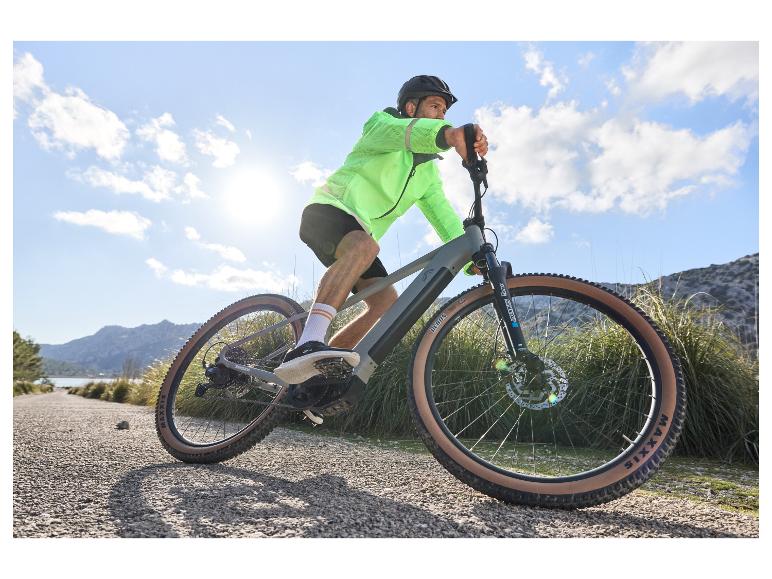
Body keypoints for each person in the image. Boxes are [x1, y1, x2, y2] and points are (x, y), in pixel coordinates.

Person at [274, 75, 488, 385]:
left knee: (387, 302)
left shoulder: (427, 174)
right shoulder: (382, 125)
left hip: (360, 237)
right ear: (410, 106)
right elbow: (406, 133)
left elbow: (444, 217)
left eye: (444, 111)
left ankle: (311, 379)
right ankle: (308, 342)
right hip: (329, 210)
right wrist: (449, 135)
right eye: (435, 106)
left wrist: (475, 257)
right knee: (365, 247)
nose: (442, 115)